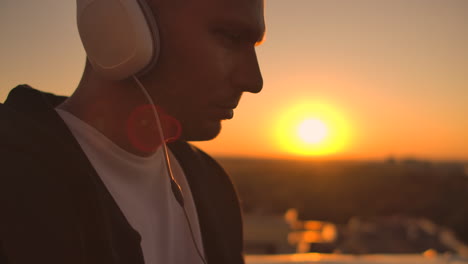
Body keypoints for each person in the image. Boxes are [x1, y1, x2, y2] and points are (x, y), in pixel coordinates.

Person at [0, 0, 265, 263]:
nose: (254, 81)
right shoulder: (12, 180)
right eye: (231, 38)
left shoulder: (212, 183)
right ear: (119, 21)